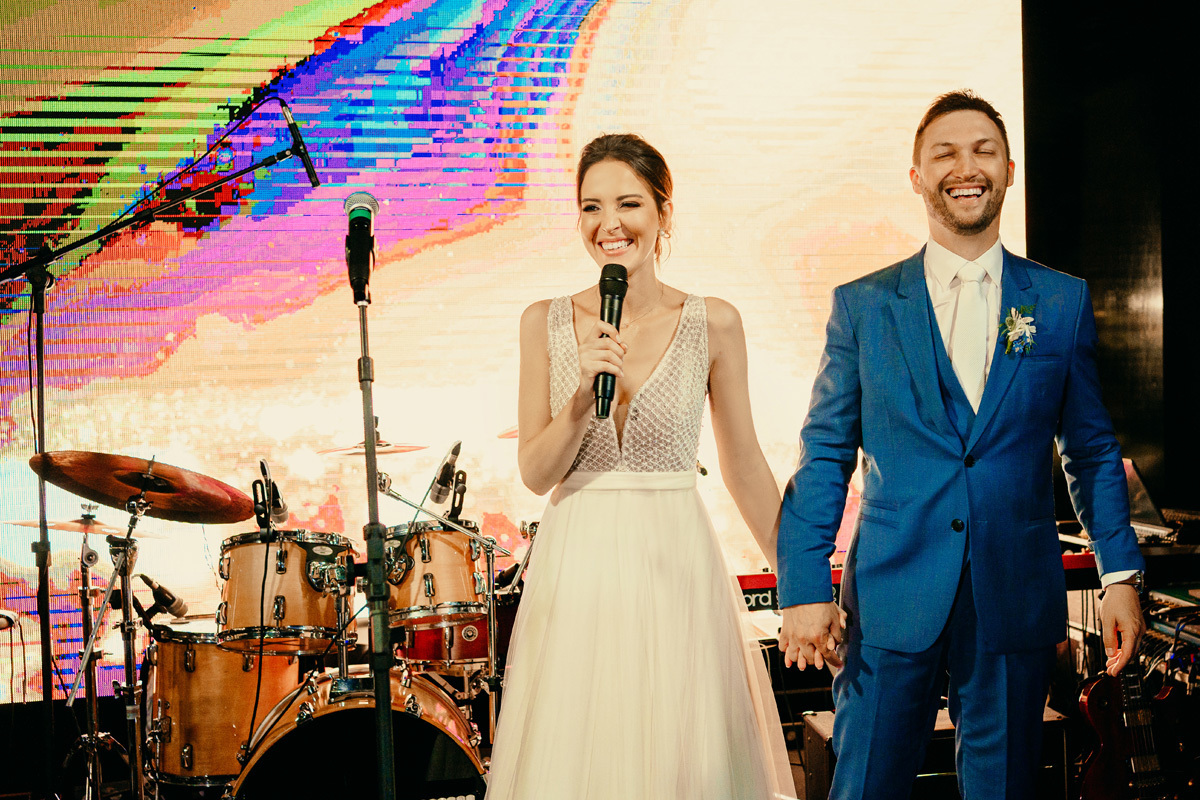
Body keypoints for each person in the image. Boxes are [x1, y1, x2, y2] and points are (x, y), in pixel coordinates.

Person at [775, 90, 1146, 799]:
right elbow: (823, 454)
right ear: (917, 176)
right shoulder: (863, 305)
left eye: (983, 152)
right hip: (890, 593)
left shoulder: (1060, 301)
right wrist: (803, 587)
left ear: (1009, 170)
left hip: (1014, 591)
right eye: (944, 154)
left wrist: (1119, 574)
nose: (965, 168)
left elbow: (1092, 449)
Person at [485, 133, 793, 799]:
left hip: (675, 563)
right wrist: (579, 399)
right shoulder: (543, 321)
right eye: (591, 207)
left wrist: (801, 584)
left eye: (628, 204)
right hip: (578, 567)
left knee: (683, 758)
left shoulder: (714, 323)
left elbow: (744, 465)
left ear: (663, 212)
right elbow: (536, 474)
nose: (609, 224)